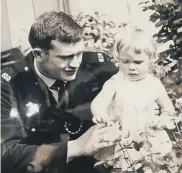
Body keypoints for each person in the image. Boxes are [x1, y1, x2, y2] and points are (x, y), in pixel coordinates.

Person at [1, 11, 119, 173]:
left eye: (79, 53)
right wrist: (75, 147)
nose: (76, 63)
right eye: (65, 57)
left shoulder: (98, 66)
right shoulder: (9, 84)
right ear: (39, 54)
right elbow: (6, 155)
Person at [91, 25, 175, 171]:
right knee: (124, 167)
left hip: (150, 141)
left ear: (151, 59)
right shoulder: (116, 82)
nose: (131, 67)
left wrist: (162, 120)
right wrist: (100, 115)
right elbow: (99, 102)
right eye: (125, 61)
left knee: (151, 167)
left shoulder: (154, 84)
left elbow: (168, 108)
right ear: (118, 58)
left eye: (137, 62)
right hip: (123, 141)